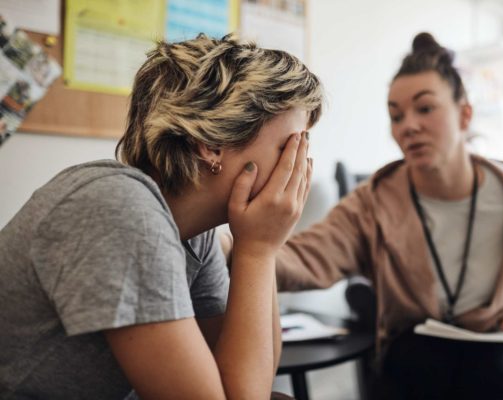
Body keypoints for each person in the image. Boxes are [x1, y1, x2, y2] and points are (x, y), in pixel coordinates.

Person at [0, 34, 322, 399]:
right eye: (290, 146)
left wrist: (257, 248)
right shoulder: (117, 207)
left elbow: (247, 382)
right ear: (212, 144)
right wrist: (258, 250)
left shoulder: (192, 234)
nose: (299, 165)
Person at [273, 33, 503, 399]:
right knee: (414, 369)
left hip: (502, 338)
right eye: (396, 115)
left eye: (425, 108)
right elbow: (311, 254)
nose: (408, 126)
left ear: (464, 114)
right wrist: (231, 247)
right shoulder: (375, 200)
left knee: (500, 372)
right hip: (421, 339)